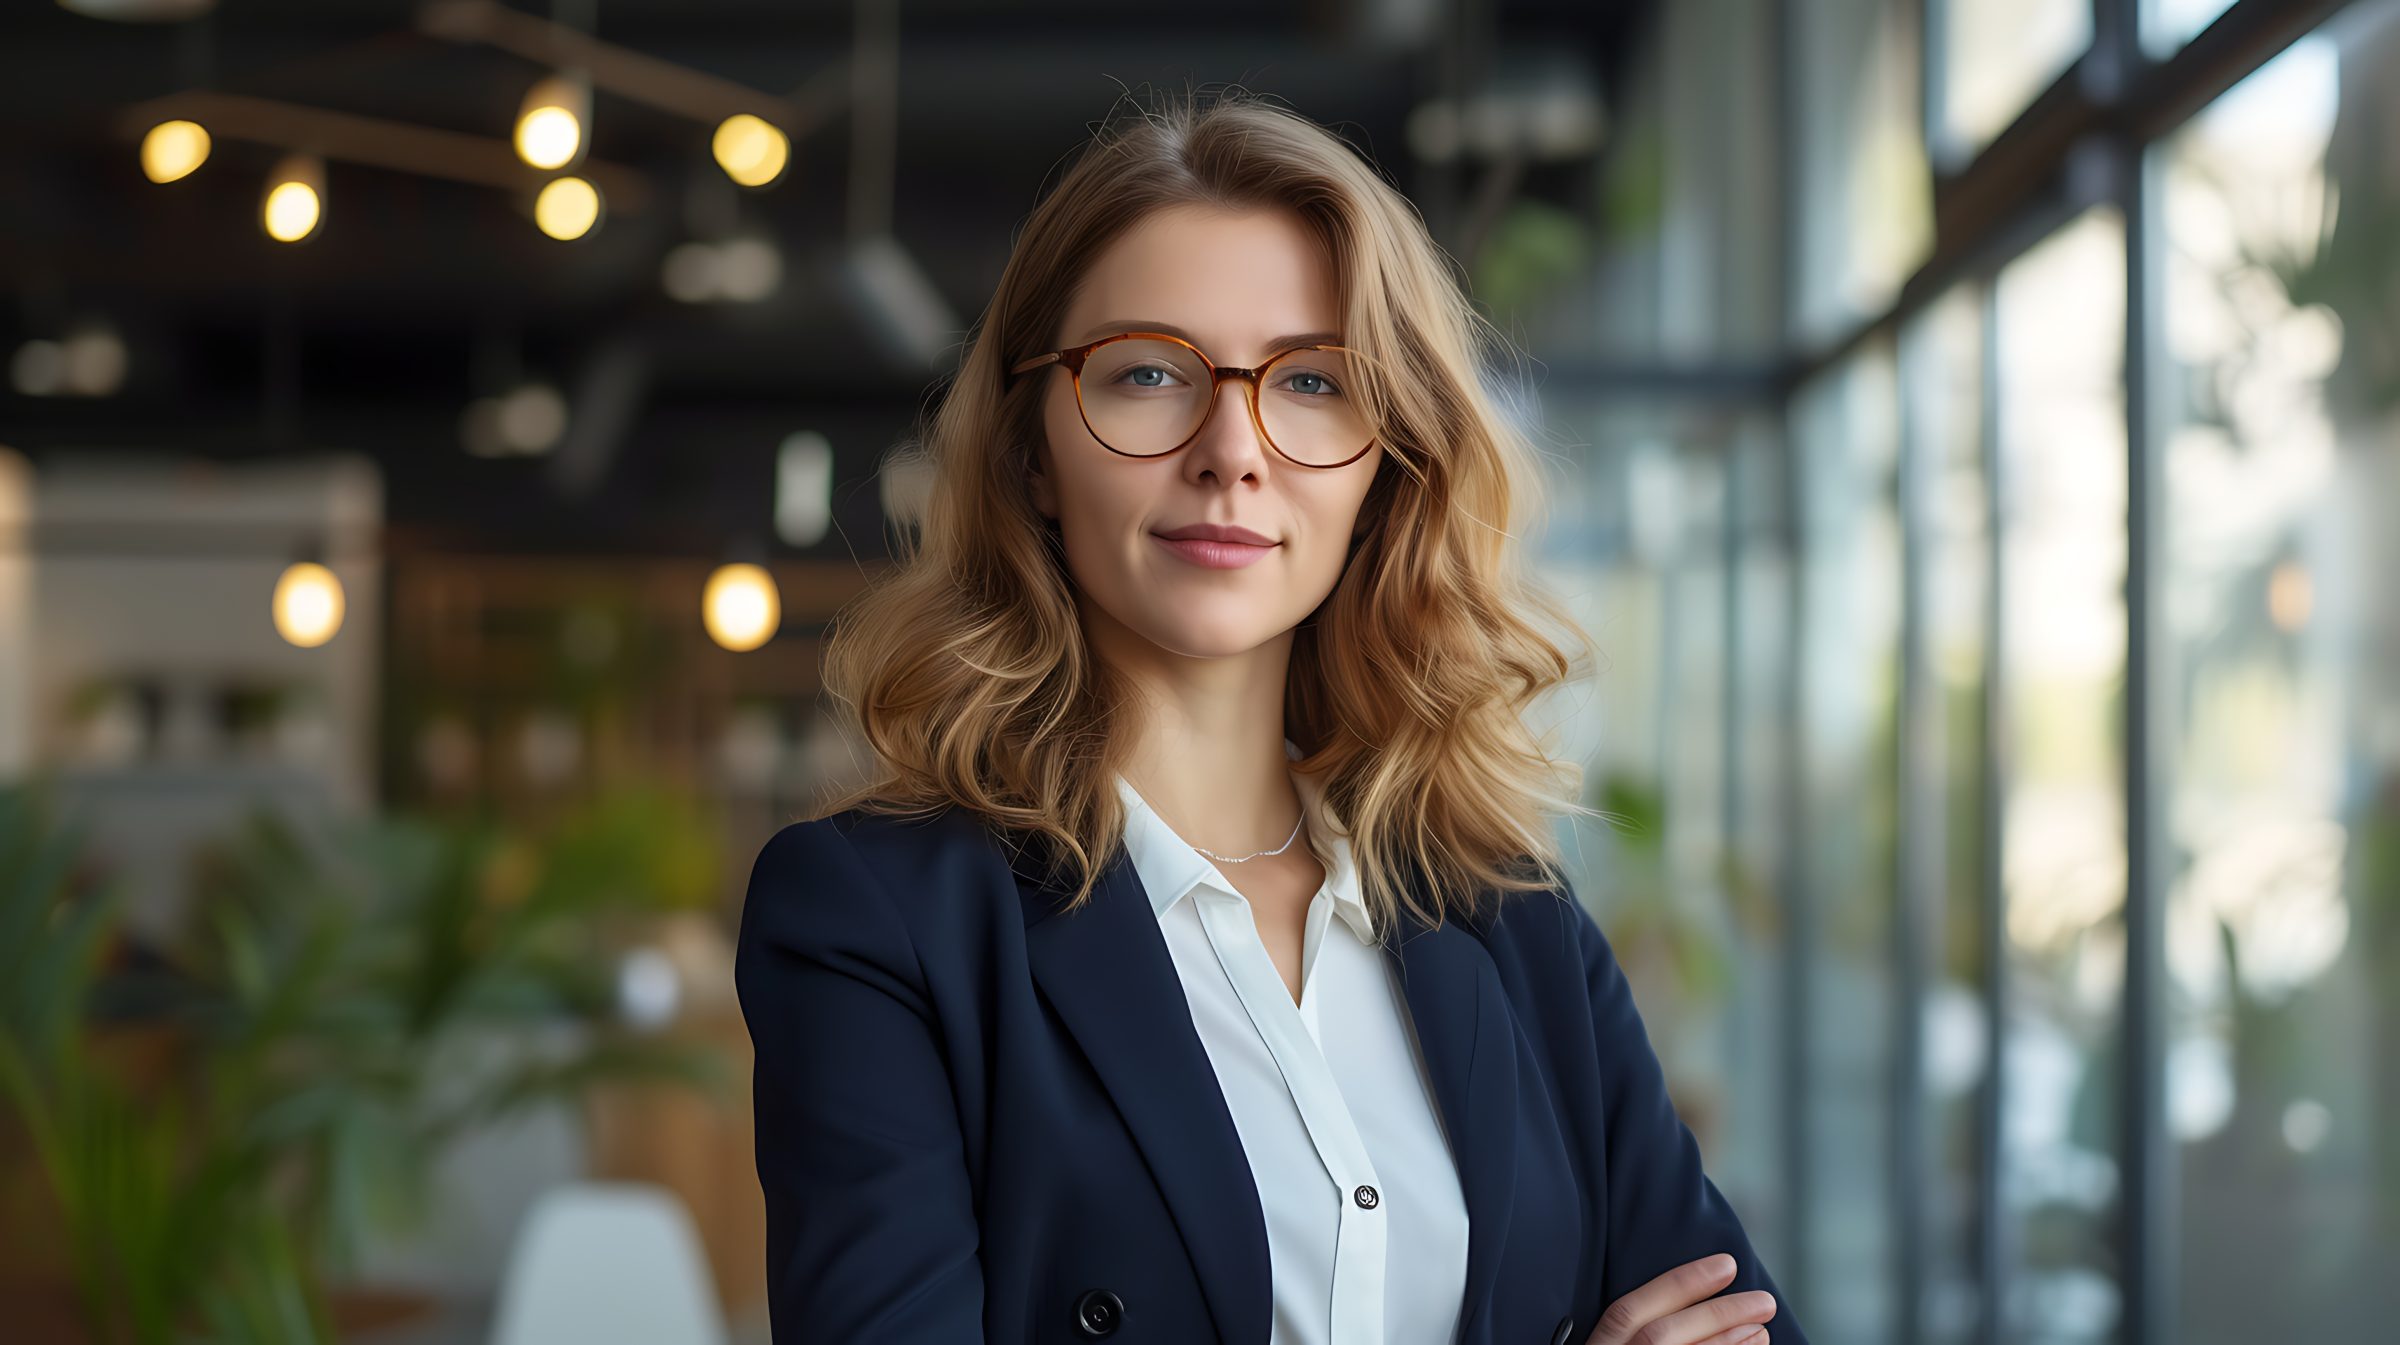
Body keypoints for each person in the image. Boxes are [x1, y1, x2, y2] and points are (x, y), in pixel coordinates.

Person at [734, 86, 1804, 1345]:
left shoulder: (1510, 917)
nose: (1232, 448)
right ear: (1032, 451)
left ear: (1388, 461)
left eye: (1311, 380)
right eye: (1144, 373)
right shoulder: (878, 924)